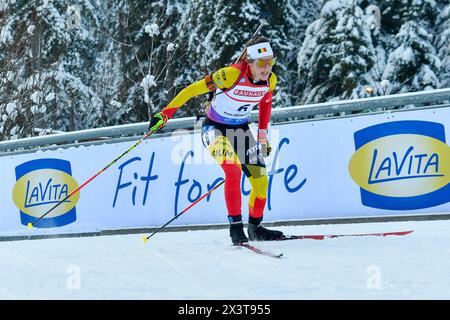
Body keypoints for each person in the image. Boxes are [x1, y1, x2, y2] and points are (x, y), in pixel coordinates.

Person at [148, 36, 284, 244]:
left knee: (260, 180)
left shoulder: (270, 80)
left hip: (240, 129)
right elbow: (190, 90)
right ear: (249, 61)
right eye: (261, 63)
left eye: (270, 62)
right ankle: (235, 228)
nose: (267, 68)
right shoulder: (229, 75)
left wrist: (262, 137)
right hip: (215, 128)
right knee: (232, 170)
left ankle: (255, 228)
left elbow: (265, 105)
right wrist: (165, 114)